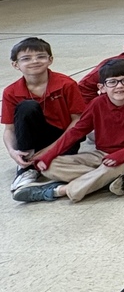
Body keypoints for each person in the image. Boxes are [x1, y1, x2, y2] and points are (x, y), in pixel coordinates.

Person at [15, 59, 124, 203]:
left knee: (109, 170)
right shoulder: (97, 103)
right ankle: (109, 180)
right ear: (102, 87)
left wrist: (122, 155)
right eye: (112, 82)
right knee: (49, 167)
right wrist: (50, 154)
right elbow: (77, 131)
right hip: (101, 155)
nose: (119, 86)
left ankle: (58, 191)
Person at [3, 38, 87, 192]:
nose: (34, 61)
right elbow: (9, 129)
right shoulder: (11, 91)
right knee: (27, 107)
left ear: (50, 60)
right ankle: (26, 168)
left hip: (65, 138)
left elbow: (78, 121)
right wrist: (12, 151)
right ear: (15, 64)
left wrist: (51, 149)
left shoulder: (66, 84)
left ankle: (44, 170)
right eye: (26, 58)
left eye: (40, 56)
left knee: (56, 166)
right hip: (34, 139)